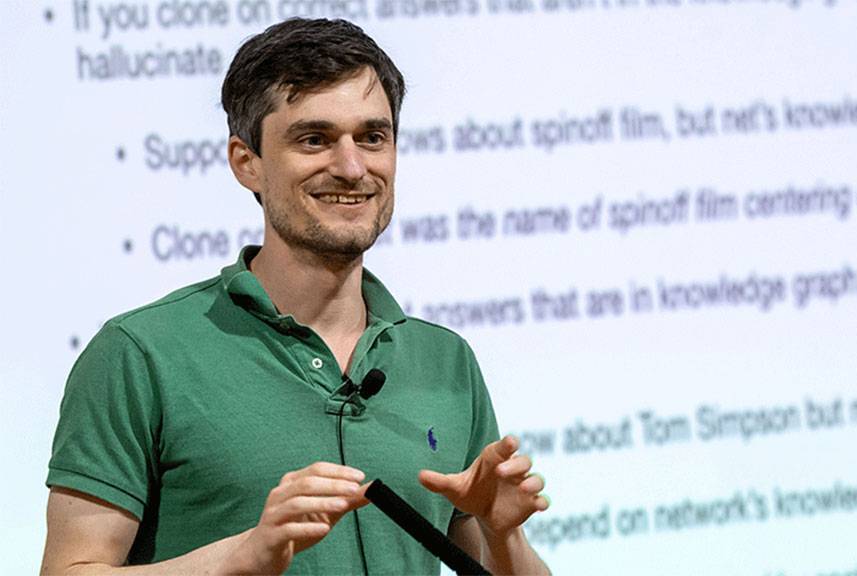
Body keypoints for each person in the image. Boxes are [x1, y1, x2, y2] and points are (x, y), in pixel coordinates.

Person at [41, 18, 550, 576]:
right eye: (315, 139)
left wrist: (507, 541)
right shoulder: (138, 354)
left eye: (372, 137)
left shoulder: (446, 359)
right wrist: (240, 556)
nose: (353, 167)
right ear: (246, 162)